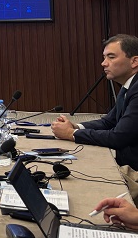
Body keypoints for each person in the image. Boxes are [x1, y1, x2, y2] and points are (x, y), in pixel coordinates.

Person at [52, 34, 138, 171]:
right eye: (104, 57)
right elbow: (108, 122)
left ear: (134, 61)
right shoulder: (128, 86)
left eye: (111, 57)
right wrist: (76, 126)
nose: (104, 63)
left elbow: (119, 137)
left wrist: (71, 133)